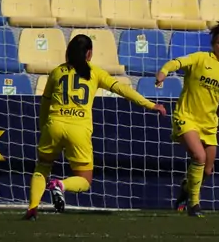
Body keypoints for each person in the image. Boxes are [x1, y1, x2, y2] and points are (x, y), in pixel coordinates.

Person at [24, 34, 166, 220]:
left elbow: (45, 103)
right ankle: (61, 185)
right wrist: (150, 105)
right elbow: (122, 90)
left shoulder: (57, 72)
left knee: (42, 167)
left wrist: (44, 126)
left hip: (54, 125)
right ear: (89, 53)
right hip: (79, 130)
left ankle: (32, 209)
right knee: (84, 180)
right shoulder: (95, 72)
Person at [157, 23, 219, 217]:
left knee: (207, 170)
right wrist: (164, 72)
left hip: (209, 124)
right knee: (199, 157)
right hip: (186, 117)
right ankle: (194, 204)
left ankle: (186, 188)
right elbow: (177, 62)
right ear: (213, 43)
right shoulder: (201, 58)